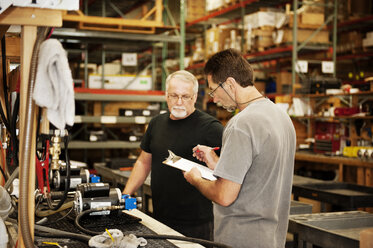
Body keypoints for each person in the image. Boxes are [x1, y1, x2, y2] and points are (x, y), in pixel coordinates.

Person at [184, 49, 296, 248]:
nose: (214, 99)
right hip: (272, 237)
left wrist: (196, 179)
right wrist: (216, 162)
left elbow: (224, 195)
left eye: (213, 90)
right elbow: (255, 176)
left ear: (229, 84)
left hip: (241, 237)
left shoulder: (241, 124)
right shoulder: (281, 117)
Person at [122, 70, 224, 241]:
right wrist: (126, 194)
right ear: (166, 96)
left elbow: (229, 169)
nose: (179, 102)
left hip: (196, 223)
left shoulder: (211, 127)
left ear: (194, 97)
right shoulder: (156, 124)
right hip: (160, 217)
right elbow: (143, 162)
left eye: (185, 96)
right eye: (174, 95)